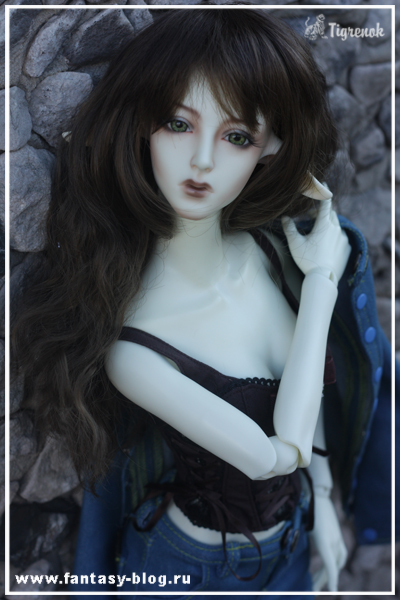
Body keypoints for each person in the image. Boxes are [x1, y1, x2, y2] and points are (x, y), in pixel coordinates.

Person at [12, 9, 395, 597]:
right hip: (185, 568)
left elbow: (310, 394)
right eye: (178, 124)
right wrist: (322, 281)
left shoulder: (271, 253)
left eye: (236, 136)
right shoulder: (134, 352)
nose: (202, 162)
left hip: (292, 541)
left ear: (270, 149)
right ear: (141, 125)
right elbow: (278, 454)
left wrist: (322, 498)